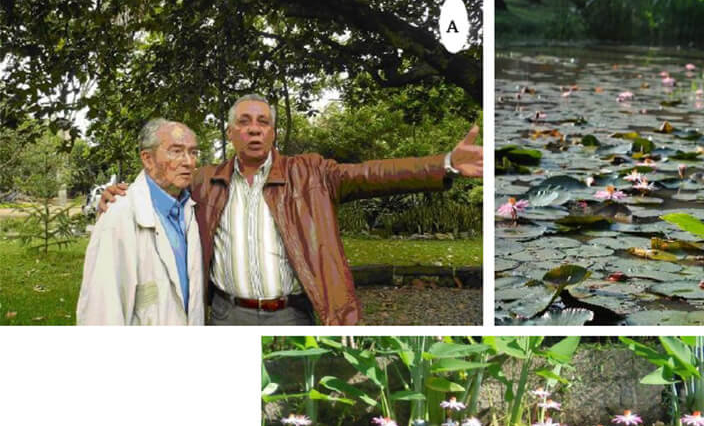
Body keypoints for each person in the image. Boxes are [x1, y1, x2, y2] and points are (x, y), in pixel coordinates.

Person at [101, 94, 483, 325]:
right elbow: (158, 184)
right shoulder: (204, 181)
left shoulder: (311, 174)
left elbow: (373, 174)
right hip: (225, 315)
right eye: (244, 123)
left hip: (292, 313)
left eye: (263, 123)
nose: (254, 130)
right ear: (232, 132)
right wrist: (112, 195)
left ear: (272, 132)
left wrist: (445, 162)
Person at [78, 119, 203, 325]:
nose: (189, 161)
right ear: (147, 159)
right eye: (176, 151)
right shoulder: (120, 214)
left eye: (193, 152)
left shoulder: (191, 208)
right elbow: (101, 310)